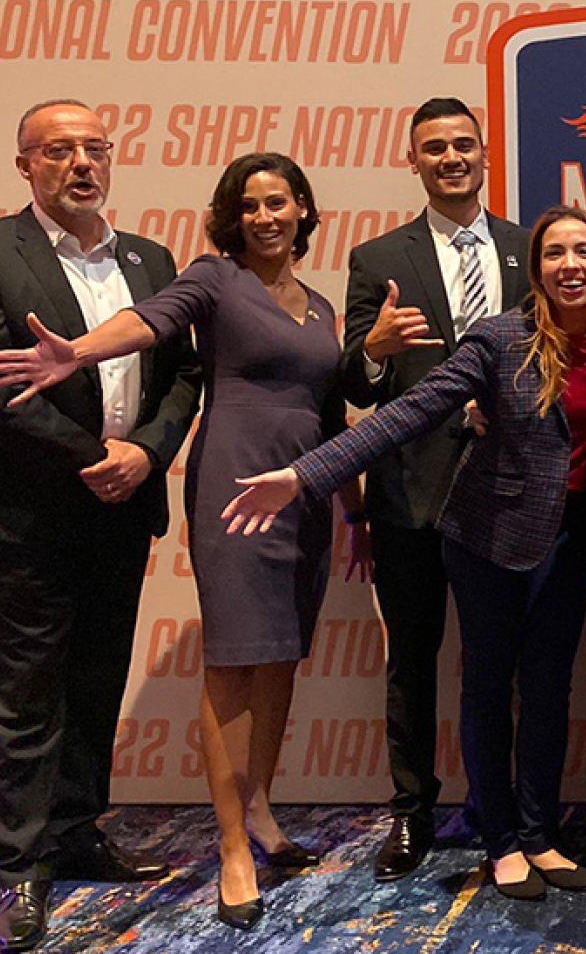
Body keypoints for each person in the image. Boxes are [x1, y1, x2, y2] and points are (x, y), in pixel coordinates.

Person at [0, 152, 363, 929]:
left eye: (278, 201)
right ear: (232, 217)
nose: (265, 216)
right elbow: (151, 320)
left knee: (283, 654)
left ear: (303, 208)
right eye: (249, 205)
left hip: (309, 494)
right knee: (235, 658)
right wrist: (81, 350)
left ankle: (261, 810)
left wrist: (355, 508)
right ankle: (232, 846)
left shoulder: (324, 308)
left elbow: (331, 410)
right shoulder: (212, 277)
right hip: (235, 485)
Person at [224, 206, 586, 903]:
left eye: (584, 251)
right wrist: (305, 476)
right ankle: (500, 841)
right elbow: (413, 409)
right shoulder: (502, 337)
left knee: (552, 691)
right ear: (535, 269)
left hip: (566, 541)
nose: (570, 265)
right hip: (487, 537)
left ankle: (540, 833)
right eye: (555, 252)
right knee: (490, 688)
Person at [0, 100, 200, 952]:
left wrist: (148, 456)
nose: (80, 164)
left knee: (95, 680)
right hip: (34, 512)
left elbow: (184, 377)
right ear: (26, 166)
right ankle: (19, 867)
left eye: (94, 149)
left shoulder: (150, 259)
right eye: (58, 151)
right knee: (26, 694)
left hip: (126, 508)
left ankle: (77, 829)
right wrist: (96, 456)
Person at [338, 96, 532, 881]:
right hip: (410, 496)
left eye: (462, 145)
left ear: (484, 153)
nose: (450, 158)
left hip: (508, 493)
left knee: (500, 664)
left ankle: (504, 811)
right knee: (412, 662)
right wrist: (377, 351)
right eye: (433, 148)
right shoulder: (377, 256)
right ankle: (413, 813)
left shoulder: (531, 250)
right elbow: (353, 376)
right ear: (411, 161)